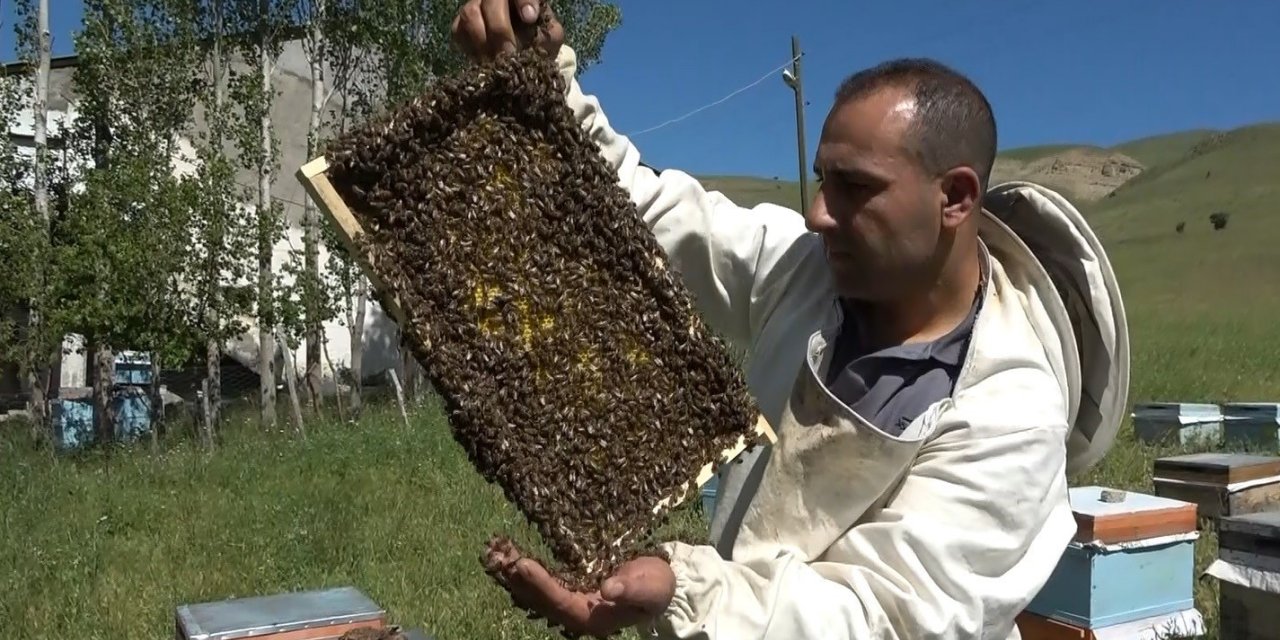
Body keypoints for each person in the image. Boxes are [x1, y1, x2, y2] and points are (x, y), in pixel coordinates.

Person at [454, 2, 1131, 639]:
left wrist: (684, 588)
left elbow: (876, 619)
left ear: (954, 197)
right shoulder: (809, 268)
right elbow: (647, 217)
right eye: (821, 180)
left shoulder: (1011, 415)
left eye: (855, 187)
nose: (817, 213)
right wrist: (546, 86)